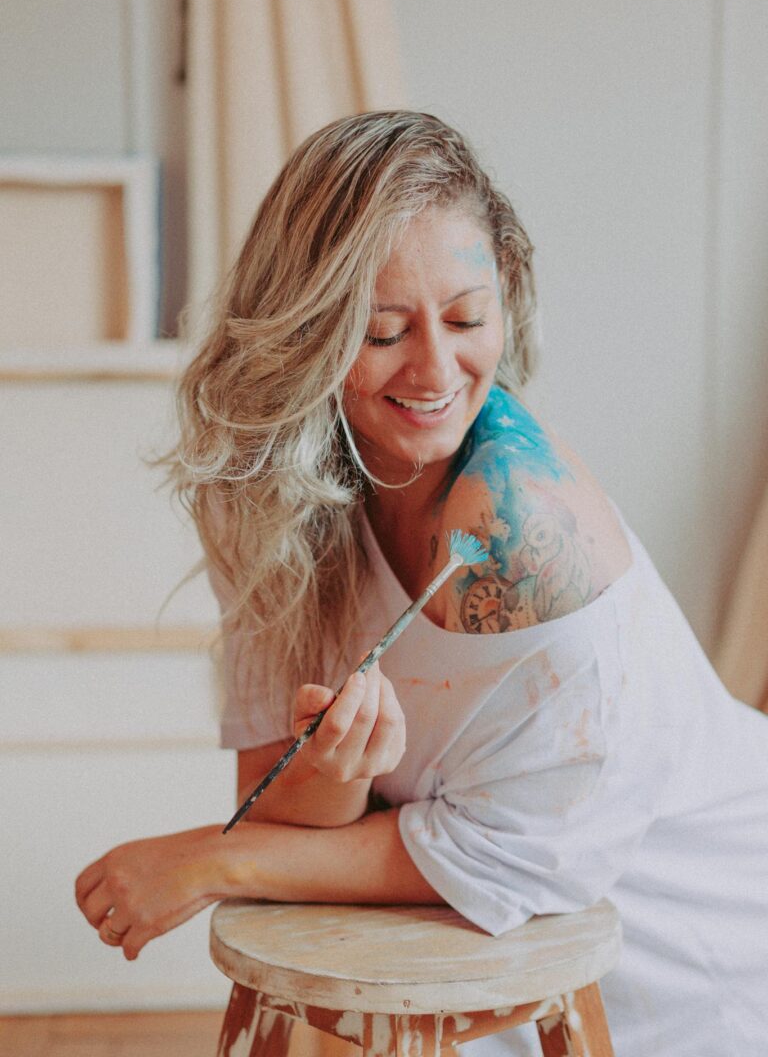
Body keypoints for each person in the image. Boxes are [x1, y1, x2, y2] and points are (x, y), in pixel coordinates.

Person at [75, 111, 768, 1056]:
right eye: (384, 331)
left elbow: (519, 854)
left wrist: (208, 858)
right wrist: (334, 776)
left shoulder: (522, 525)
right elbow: (277, 800)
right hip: (476, 952)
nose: (438, 371)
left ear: (506, 300)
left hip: (702, 929)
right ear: (304, 333)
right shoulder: (266, 494)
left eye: (467, 318)